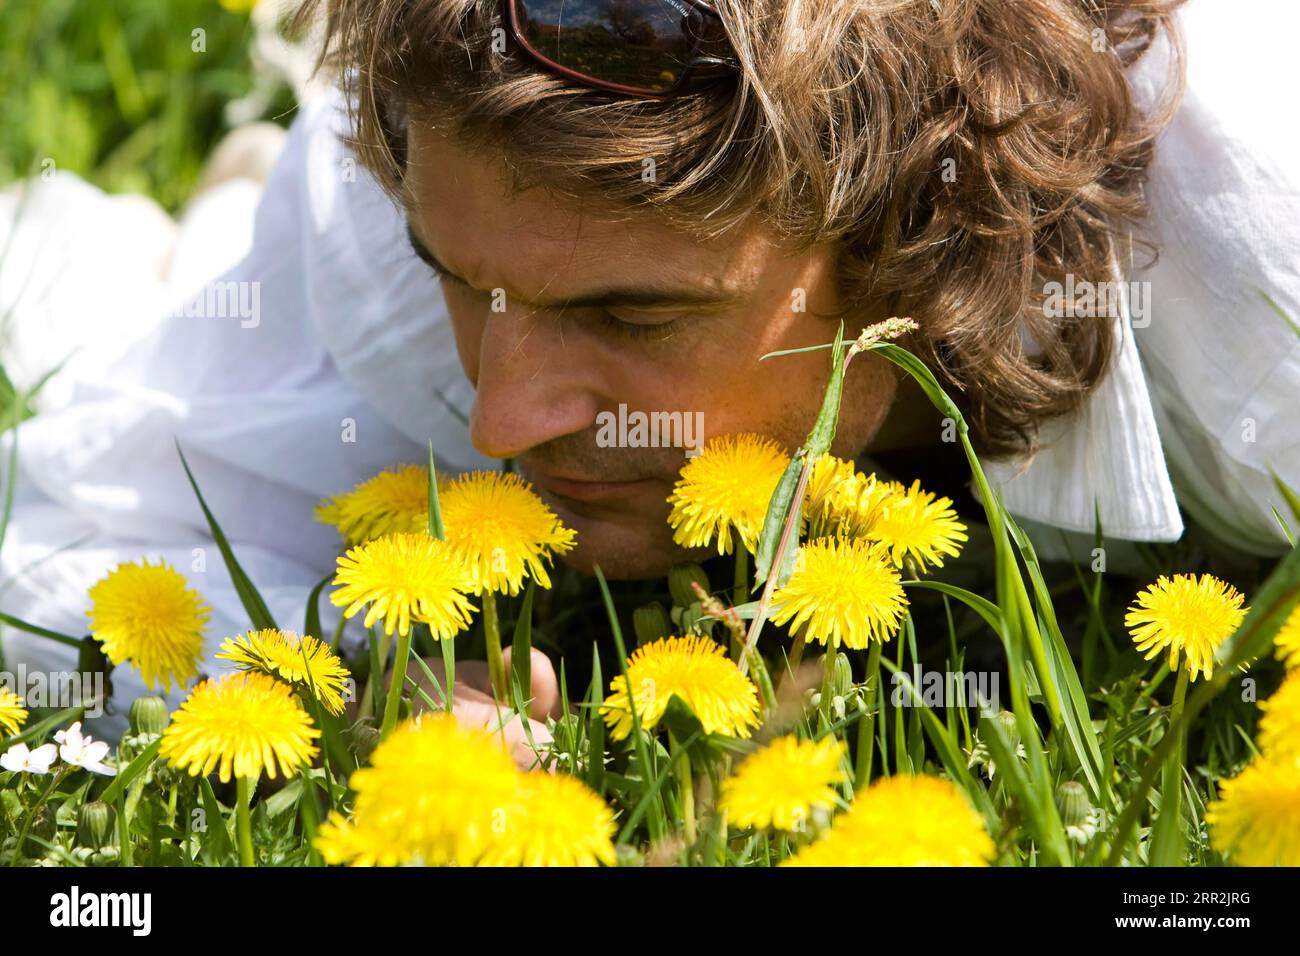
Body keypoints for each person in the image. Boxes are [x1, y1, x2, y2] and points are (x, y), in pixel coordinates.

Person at [1, 0, 1297, 749]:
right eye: (462, 280)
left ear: (930, 224)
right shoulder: (406, 199)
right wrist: (336, 684)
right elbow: (62, 561)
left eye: (632, 310)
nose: (506, 417)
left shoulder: (1261, 274)